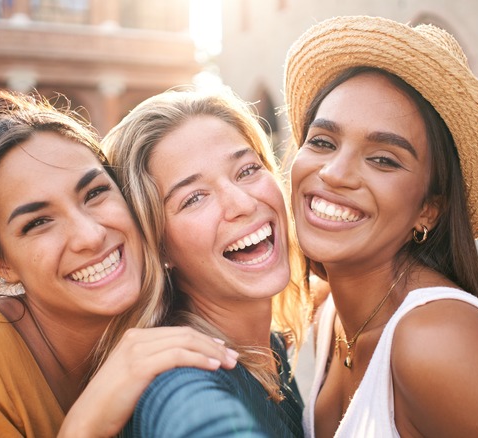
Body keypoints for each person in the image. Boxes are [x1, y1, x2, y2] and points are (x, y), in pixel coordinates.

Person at [0, 89, 238, 437]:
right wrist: (86, 425)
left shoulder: (177, 311)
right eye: (38, 222)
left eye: (95, 193)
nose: (89, 236)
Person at [283, 16, 478, 437]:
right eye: (323, 141)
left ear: (428, 211)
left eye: (383, 159)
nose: (335, 173)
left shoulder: (438, 341)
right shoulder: (332, 312)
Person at [72, 87, 310, 437]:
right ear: (159, 246)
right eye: (194, 198)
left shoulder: (270, 345)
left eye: (246, 170)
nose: (241, 203)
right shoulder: (176, 379)